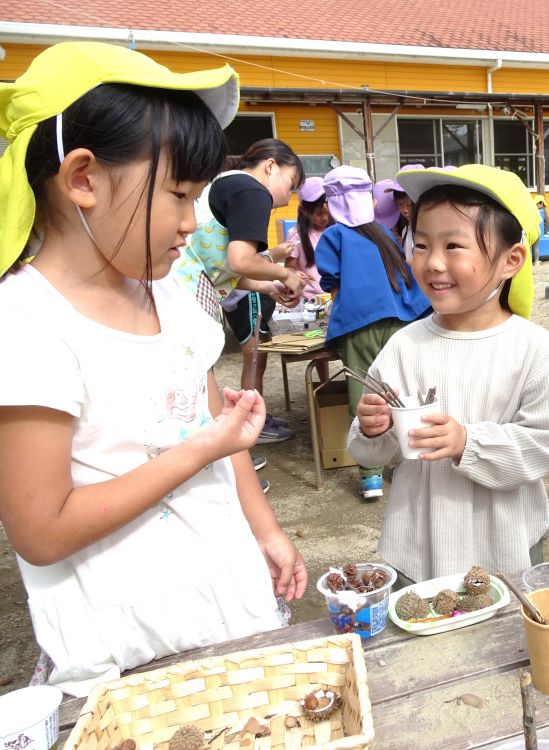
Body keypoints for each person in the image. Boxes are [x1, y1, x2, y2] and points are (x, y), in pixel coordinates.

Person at [0, 42, 307, 697]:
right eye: (177, 195)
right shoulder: (27, 323)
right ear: (83, 178)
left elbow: (219, 433)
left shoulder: (173, 293)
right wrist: (200, 449)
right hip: (126, 641)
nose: (191, 222)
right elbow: (42, 529)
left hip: (224, 602)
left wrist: (267, 531)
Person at [349, 164, 549, 584]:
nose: (432, 263)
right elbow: (369, 455)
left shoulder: (534, 351)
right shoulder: (404, 345)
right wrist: (372, 430)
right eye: (421, 245)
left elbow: (542, 447)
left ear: (511, 260)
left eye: (453, 246)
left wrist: (467, 441)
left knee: (507, 640)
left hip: (504, 541)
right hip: (419, 541)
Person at [175, 139, 305, 444]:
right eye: (291, 182)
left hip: (186, 284)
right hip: (188, 292)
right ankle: (220, 455)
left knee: (194, 378)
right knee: (195, 378)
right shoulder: (252, 190)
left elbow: (224, 269)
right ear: (271, 166)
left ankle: (217, 454)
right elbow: (241, 261)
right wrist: (286, 273)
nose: (288, 197)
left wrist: (269, 287)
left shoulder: (225, 185)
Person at [314, 166, 432, 500]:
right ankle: (403, 459)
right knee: (400, 389)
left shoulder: (334, 236)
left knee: (365, 394)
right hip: (401, 321)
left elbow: (332, 283)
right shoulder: (385, 234)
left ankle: (371, 478)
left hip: (359, 323)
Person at [286, 176, 331, 302]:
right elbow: (289, 267)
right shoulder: (296, 235)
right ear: (304, 210)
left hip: (335, 296)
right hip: (310, 301)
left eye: (327, 212)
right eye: (318, 213)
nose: (324, 218)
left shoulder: (335, 230)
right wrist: (294, 274)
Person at [382, 163, 425, 262]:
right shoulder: (406, 230)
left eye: (409, 205)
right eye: (400, 205)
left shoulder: (429, 231)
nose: (404, 210)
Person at [531, 194, 549, 265]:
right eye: (543, 204)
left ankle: (531, 261)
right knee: (536, 247)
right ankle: (536, 261)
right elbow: (541, 221)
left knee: (531, 246)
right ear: (540, 203)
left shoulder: (531, 209)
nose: (543, 207)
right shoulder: (540, 212)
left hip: (530, 230)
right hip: (537, 231)